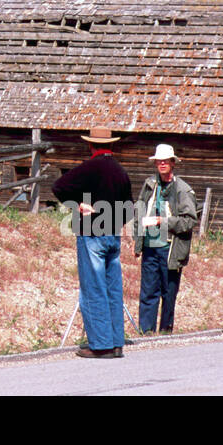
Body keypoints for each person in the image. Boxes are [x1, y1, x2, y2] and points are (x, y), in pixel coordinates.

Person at [52, 126, 133, 359]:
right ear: (111, 145)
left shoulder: (90, 167)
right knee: (113, 289)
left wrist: (77, 204)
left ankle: (100, 345)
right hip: (113, 236)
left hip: (92, 234)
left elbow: (58, 187)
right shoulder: (120, 172)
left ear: (90, 145)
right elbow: (128, 210)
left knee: (93, 288)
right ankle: (116, 342)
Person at [131, 143, 198, 334]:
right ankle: (146, 332)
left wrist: (164, 221)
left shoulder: (183, 190)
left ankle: (166, 332)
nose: (161, 164)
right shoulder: (150, 185)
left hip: (170, 248)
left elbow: (189, 221)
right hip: (150, 247)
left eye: (165, 161)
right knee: (148, 292)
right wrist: (138, 242)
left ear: (172, 163)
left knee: (168, 293)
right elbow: (139, 212)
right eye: (158, 161)